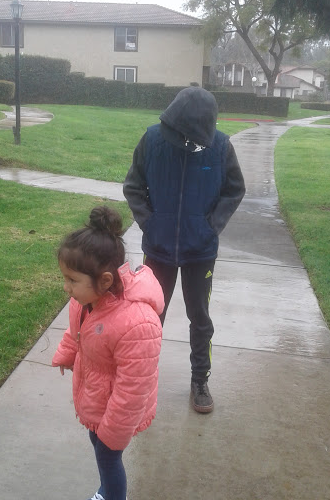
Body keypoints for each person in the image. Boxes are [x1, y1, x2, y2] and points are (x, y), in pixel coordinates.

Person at [123, 86, 245, 414]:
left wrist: (210, 226)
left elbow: (234, 189)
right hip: (158, 249)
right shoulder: (152, 140)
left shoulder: (220, 147)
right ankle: (140, 379)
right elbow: (133, 185)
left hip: (200, 252)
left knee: (199, 317)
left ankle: (200, 379)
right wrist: (151, 223)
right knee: (149, 317)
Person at [52, 206, 164, 500]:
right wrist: (66, 352)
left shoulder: (138, 324)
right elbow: (77, 331)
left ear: (104, 280)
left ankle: (113, 495)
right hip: (97, 397)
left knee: (108, 456)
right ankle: (106, 490)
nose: (66, 287)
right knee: (98, 445)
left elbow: (133, 390)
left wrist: (113, 432)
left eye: (72, 280)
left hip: (117, 409)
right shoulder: (85, 300)